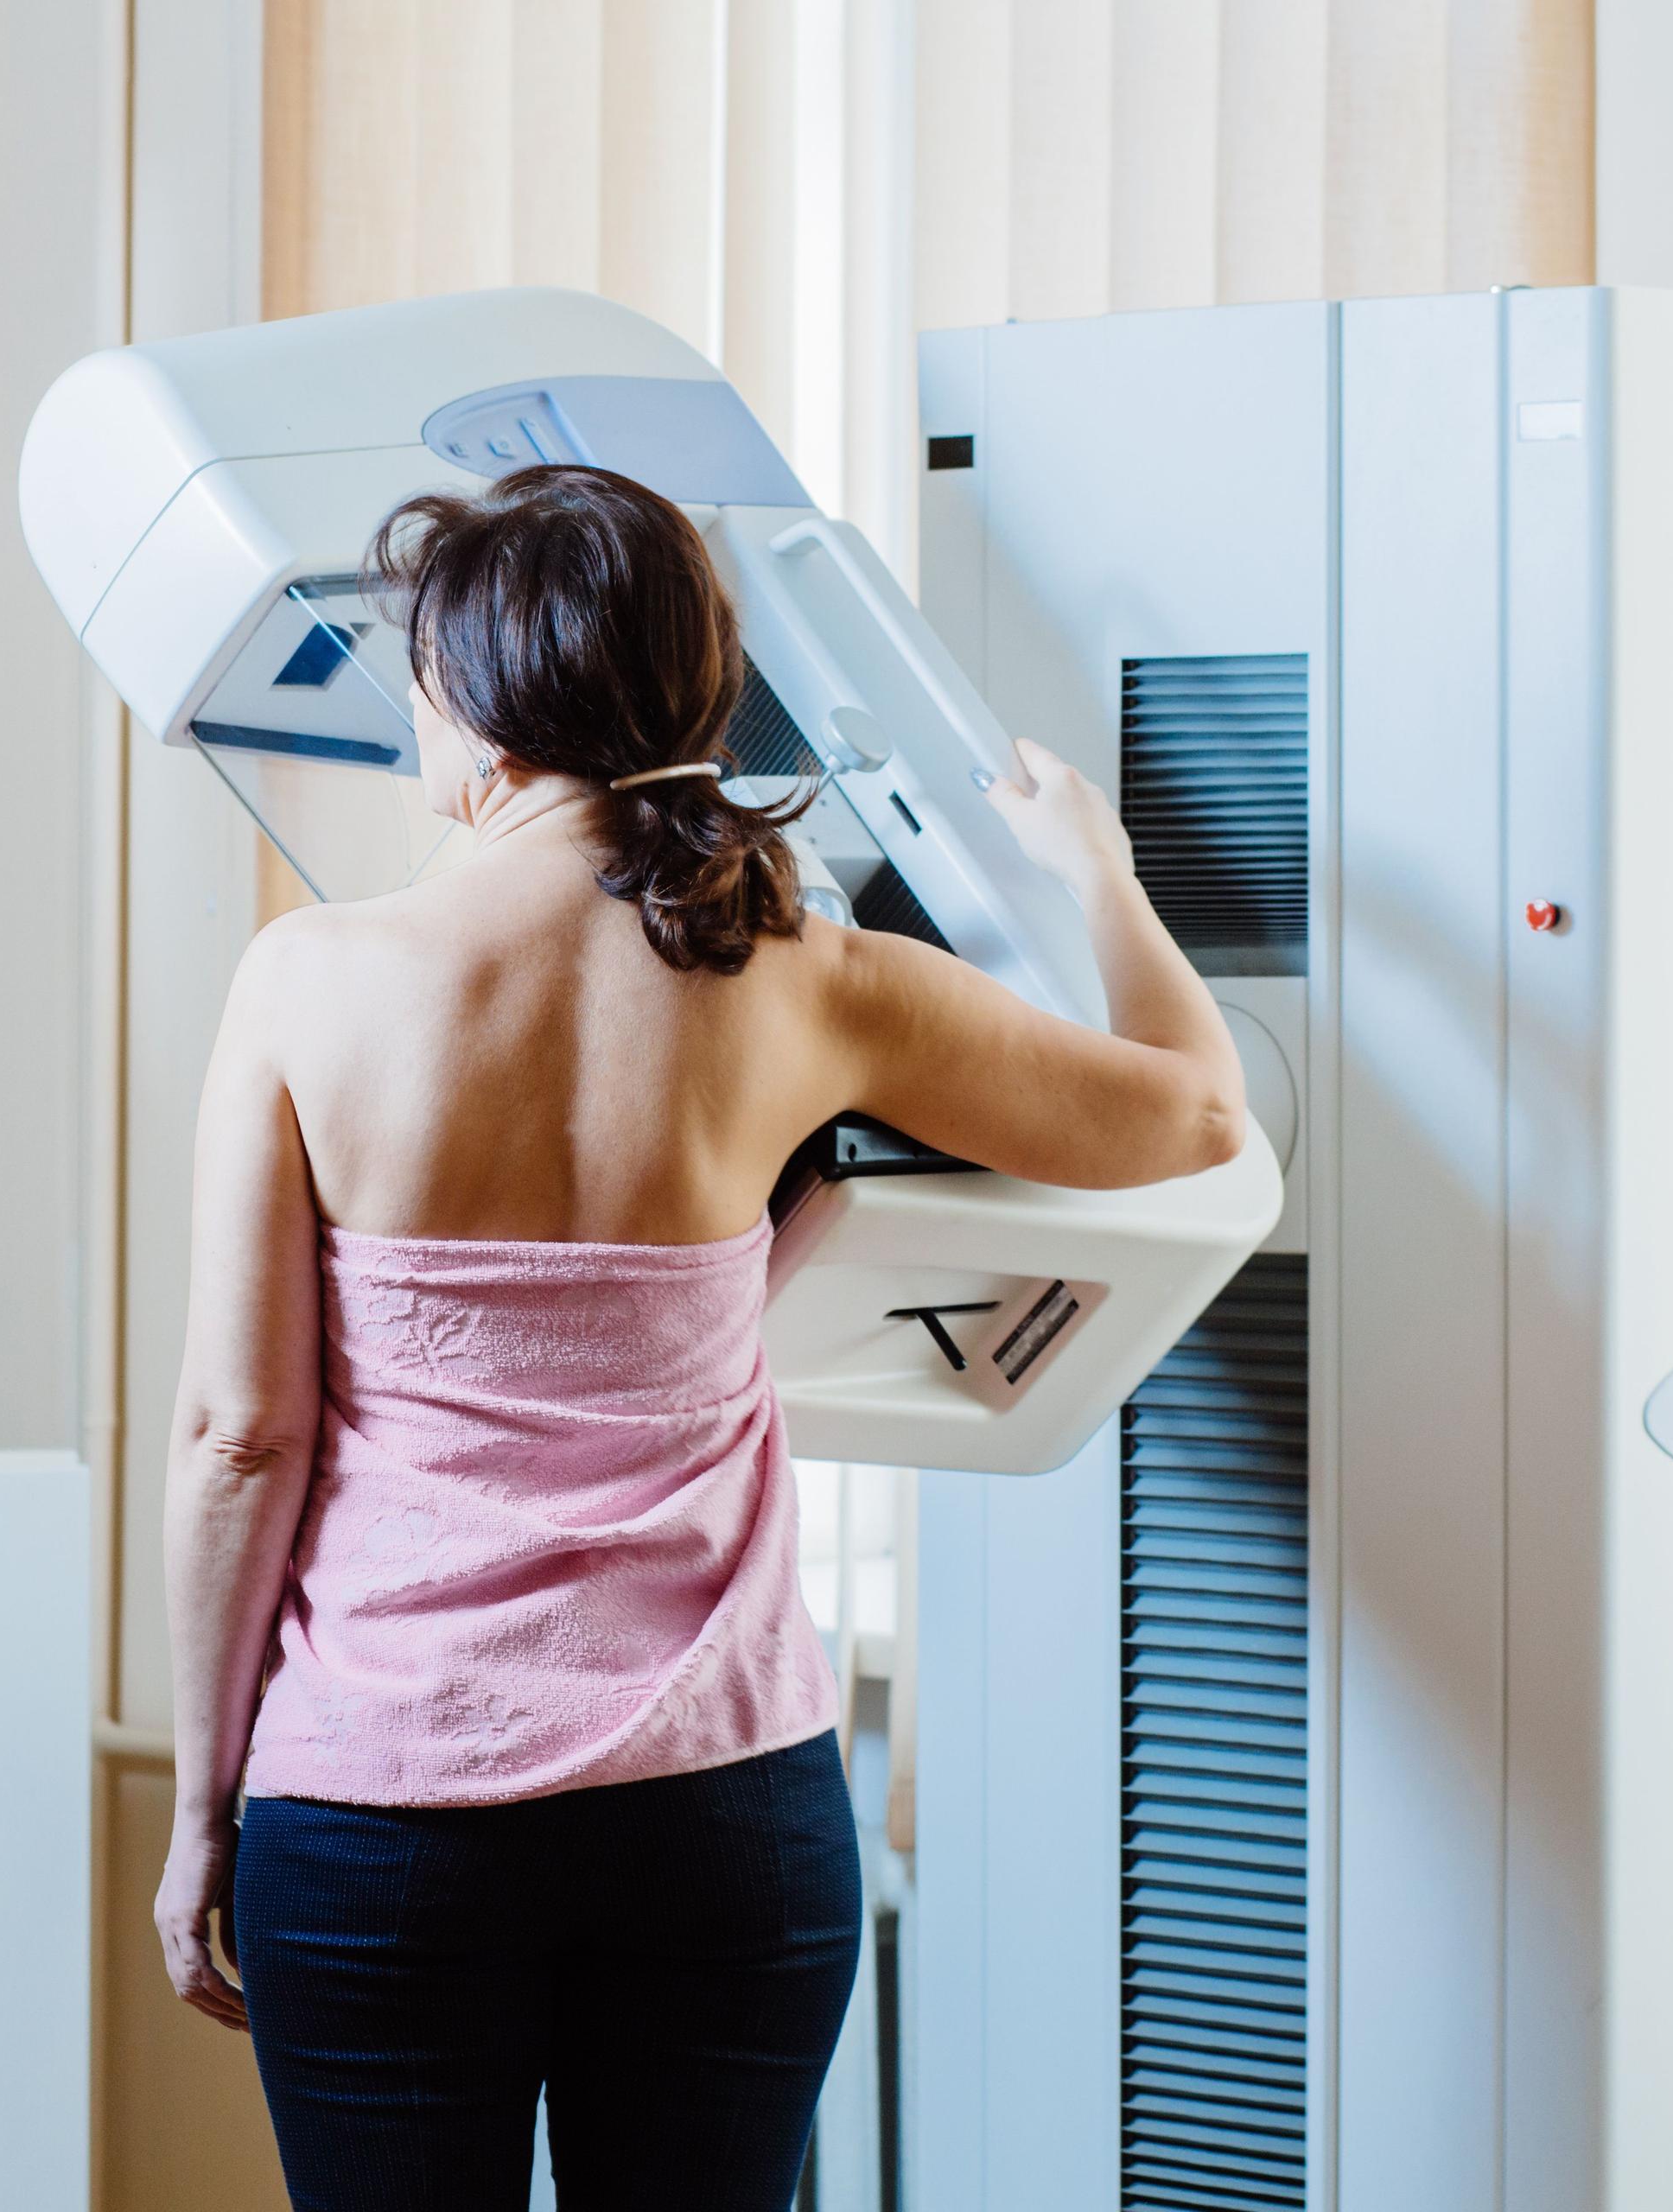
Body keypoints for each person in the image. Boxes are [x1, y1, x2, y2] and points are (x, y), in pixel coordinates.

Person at [155, 464, 1250, 2209]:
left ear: (493, 707)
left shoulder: (313, 980)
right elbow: (1198, 1119)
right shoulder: (806, 973)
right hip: (722, 1812)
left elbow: (240, 1434)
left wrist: (208, 1799)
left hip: (385, 1812)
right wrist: (1100, 875)